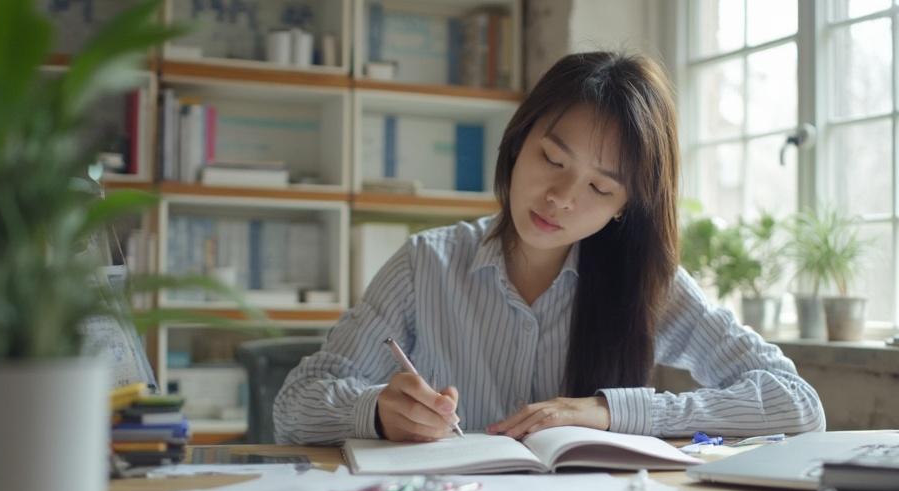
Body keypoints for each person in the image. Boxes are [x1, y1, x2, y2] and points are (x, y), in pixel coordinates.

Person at [274, 51, 825, 446]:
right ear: (518, 143)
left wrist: (611, 412)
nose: (561, 197)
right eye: (553, 160)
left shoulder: (646, 283)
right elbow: (295, 404)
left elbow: (797, 404)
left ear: (624, 207)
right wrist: (376, 412)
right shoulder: (424, 265)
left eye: (600, 188)